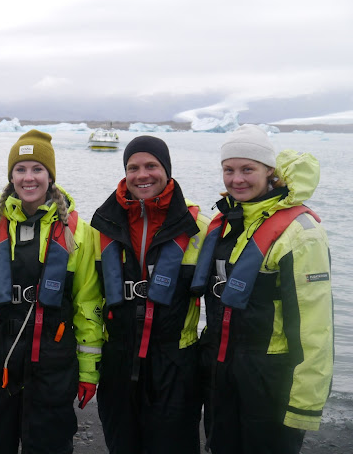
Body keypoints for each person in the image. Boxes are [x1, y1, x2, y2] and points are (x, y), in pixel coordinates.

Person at [0, 129, 104, 454]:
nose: (28, 178)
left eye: (37, 169)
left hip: (52, 365)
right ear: (11, 176)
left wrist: (89, 372)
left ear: (50, 176)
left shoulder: (78, 232)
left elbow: (88, 308)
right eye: (20, 169)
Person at [192, 124, 334, 454]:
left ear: (269, 172)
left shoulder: (301, 233)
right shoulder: (229, 221)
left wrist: (305, 404)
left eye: (247, 169)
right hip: (223, 375)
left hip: (271, 384)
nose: (236, 179)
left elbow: (316, 328)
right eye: (229, 170)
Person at [91, 135, 209, 453]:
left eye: (151, 165)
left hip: (174, 363)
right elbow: (87, 299)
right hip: (117, 361)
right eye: (133, 167)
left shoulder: (199, 228)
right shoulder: (101, 227)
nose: (142, 175)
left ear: (166, 169)